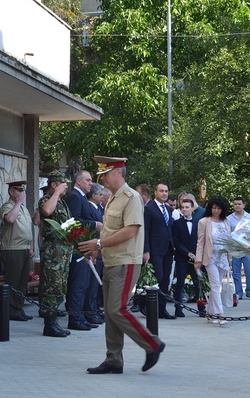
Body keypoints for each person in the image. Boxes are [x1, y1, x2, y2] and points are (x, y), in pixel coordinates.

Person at [79, 156, 165, 374]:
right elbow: (111, 231)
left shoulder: (131, 197)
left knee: (118, 309)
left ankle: (152, 343)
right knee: (110, 312)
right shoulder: (114, 199)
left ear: (118, 172)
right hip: (112, 260)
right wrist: (100, 249)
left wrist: (98, 243)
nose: (102, 179)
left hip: (126, 261)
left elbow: (130, 231)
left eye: (105, 174)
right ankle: (113, 359)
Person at [65, 170, 103, 330]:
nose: (91, 183)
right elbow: (72, 222)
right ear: (78, 181)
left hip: (86, 247)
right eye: (88, 180)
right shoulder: (74, 196)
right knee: (78, 285)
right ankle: (75, 319)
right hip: (79, 248)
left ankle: (80, 316)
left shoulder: (81, 197)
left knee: (84, 284)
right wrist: (94, 224)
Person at [38, 169, 72, 337]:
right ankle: (49, 324)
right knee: (52, 286)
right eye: (63, 185)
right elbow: (45, 212)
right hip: (53, 250)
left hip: (64, 250)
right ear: (54, 185)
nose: (66, 188)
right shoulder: (47, 199)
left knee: (60, 286)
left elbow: (69, 225)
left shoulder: (62, 203)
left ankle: (54, 319)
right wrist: (56, 193)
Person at [0, 180, 34, 322]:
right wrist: (18, 203)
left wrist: (31, 246)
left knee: (22, 282)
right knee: (13, 282)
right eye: (19, 191)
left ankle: (18, 308)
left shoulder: (24, 209)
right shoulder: (7, 206)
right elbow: (10, 219)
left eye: (23, 191)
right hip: (13, 249)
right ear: (11, 192)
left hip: (25, 248)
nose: (22, 194)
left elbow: (28, 228)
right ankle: (11, 311)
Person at [194, 195, 231, 326]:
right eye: (214, 208)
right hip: (209, 258)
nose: (216, 211)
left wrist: (229, 258)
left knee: (217, 286)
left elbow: (229, 241)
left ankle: (210, 313)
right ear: (210, 208)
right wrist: (198, 259)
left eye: (219, 208)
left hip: (222, 257)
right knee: (215, 286)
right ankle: (221, 314)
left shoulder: (226, 221)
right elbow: (200, 242)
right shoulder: (204, 222)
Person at [143, 183, 177, 319]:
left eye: (166, 191)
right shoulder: (149, 209)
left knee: (165, 281)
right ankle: (150, 309)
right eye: (161, 191)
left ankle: (162, 310)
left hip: (168, 249)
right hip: (155, 250)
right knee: (158, 278)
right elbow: (145, 230)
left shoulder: (168, 209)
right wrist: (146, 250)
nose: (164, 193)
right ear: (155, 192)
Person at [172, 198, 200, 317]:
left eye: (187, 207)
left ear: (192, 208)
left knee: (198, 283)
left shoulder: (198, 223)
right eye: (182, 207)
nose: (184, 209)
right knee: (180, 283)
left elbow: (200, 240)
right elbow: (176, 242)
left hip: (196, 258)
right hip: (182, 258)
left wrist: (196, 255)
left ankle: (201, 307)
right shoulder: (177, 223)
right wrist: (187, 253)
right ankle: (178, 308)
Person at [227, 196, 250, 300]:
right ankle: (238, 292)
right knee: (236, 272)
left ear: (243, 205)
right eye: (235, 204)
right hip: (235, 249)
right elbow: (228, 235)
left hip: (248, 249)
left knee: (249, 271)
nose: (237, 206)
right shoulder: (229, 218)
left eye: (239, 204)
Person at [85, 183, 105, 316]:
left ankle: (94, 309)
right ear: (93, 195)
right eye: (100, 194)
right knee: (91, 284)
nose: (102, 197)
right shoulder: (89, 208)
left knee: (95, 283)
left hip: (99, 249)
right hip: (93, 250)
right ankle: (90, 311)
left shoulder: (98, 208)